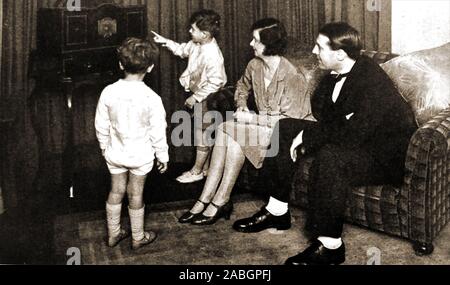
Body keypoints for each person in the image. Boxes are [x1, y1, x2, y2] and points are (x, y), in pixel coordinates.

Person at [232, 22, 418, 265]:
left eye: (319, 47)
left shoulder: (371, 80)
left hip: (384, 155)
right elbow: (322, 112)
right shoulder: (333, 75)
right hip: (358, 138)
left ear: (340, 54)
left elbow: (355, 133)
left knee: (331, 156)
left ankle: (331, 245)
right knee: (286, 127)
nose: (313, 51)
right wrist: (326, 127)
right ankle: (277, 210)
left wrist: (310, 137)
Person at [178, 18, 313, 225]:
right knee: (227, 132)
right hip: (262, 127)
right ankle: (211, 198)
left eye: (255, 40)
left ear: (269, 45)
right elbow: (241, 86)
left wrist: (251, 118)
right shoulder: (255, 65)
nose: (251, 44)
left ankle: (214, 200)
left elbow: (288, 123)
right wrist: (241, 104)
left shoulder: (292, 77)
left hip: (287, 135)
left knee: (227, 130)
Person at [95, 37, 169, 250]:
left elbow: (101, 123)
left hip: (115, 153)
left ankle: (114, 233)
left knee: (116, 190)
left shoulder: (108, 92)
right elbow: (158, 132)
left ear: (120, 64)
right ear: (151, 67)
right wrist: (163, 156)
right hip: (141, 156)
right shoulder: (151, 98)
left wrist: (103, 145)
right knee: (135, 194)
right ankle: (138, 236)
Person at [152, 9, 227, 184]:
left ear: (205, 34)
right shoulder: (197, 44)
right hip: (201, 96)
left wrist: (196, 98)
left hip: (210, 99)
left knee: (202, 134)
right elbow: (182, 50)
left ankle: (196, 171)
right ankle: (206, 169)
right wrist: (166, 42)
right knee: (204, 133)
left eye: (193, 29)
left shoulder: (212, 54)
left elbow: (216, 81)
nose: (189, 32)